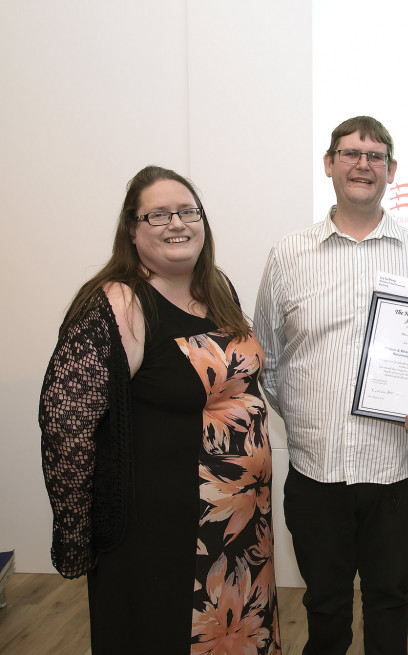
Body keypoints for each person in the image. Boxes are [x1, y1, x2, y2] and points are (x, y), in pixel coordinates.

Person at [39, 165, 279, 654]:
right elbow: (67, 423)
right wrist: (77, 530)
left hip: (239, 522)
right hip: (164, 537)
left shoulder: (218, 288)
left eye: (188, 211)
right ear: (132, 229)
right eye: (159, 215)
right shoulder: (117, 304)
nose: (178, 223)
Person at [254, 115, 408, 654]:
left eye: (375, 155)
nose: (362, 164)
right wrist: (308, 418)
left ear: (391, 170)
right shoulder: (288, 255)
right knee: (324, 604)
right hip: (316, 471)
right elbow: (267, 359)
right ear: (329, 164)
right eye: (350, 153)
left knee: (390, 599)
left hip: (397, 466)